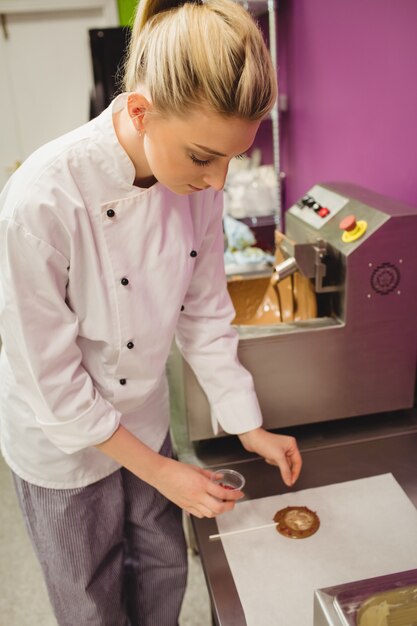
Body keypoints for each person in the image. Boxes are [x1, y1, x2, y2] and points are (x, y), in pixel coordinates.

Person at [0, 0, 302, 624]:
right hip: (60, 443)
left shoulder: (196, 186)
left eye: (232, 159)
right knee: (92, 601)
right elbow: (51, 383)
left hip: (142, 416)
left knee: (164, 571)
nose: (219, 182)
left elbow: (204, 312)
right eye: (202, 157)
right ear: (140, 112)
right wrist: (164, 473)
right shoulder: (40, 203)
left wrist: (247, 423)